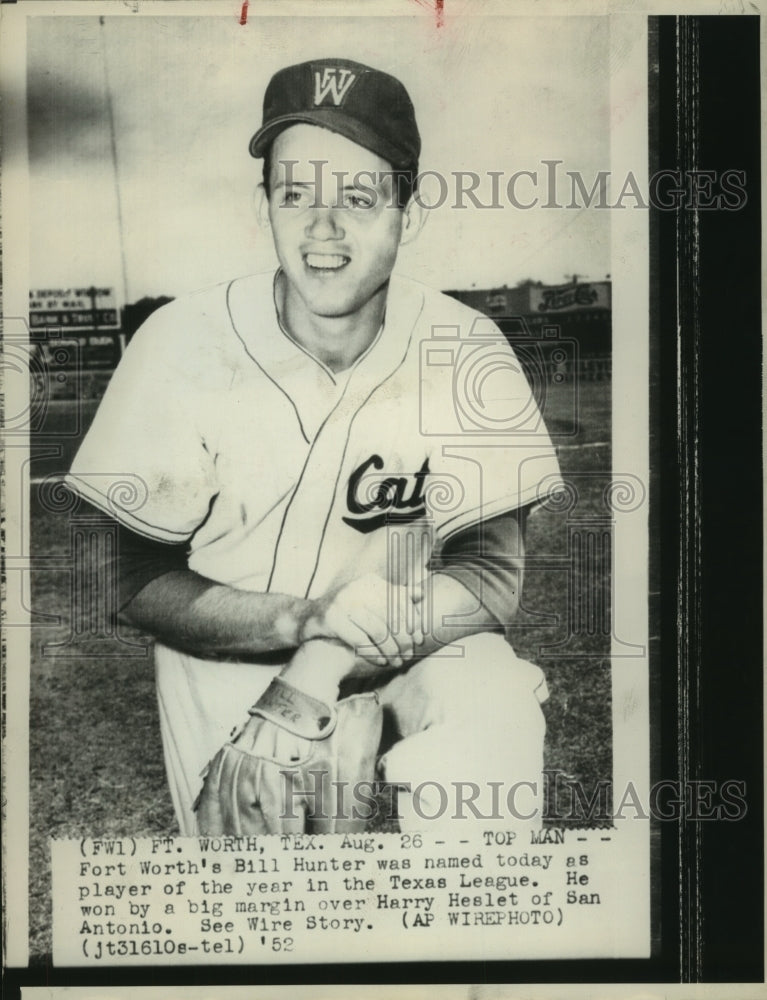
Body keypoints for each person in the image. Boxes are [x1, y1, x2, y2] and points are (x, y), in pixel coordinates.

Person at [66, 57, 562, 835]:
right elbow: (126, 575)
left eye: (358, 198)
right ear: (261, 204)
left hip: (414, 653)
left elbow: (490, 574)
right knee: (265, 925)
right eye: (294, 193)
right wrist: (302, 624)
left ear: (411, 210)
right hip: (226, 665)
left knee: (491, 712)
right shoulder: (180, 344)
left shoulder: (464, 345)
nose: (321, 230)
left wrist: (321, 662)